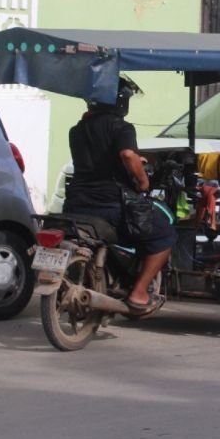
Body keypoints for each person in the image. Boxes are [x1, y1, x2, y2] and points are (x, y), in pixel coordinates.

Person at [63, 76, 175, 314]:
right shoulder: (121, 127)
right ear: (120, 100)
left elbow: (99, 158)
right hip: (110, 204)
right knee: (164, 235)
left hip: (77, 202)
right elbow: (127, 155)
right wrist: (143, 181)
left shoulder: (77, 130)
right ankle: (139, 293)